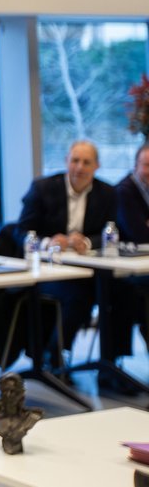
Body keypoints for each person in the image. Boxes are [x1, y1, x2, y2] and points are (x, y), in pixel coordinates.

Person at [8, 140, 115, 364]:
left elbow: (113, 231)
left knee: (120, 291)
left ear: (96, 166)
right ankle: (54, 354)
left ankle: (110, 364)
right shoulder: (43, 188)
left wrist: (85, 242)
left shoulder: (107, 193)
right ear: (66, 161)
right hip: (47, 269)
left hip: (88, 268)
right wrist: (48, 242)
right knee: (79, 296)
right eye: (75, 160)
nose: (79, 168)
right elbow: (21, 231)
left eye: (86, 162)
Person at [110, 144, 149, 371]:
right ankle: (113, 369)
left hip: (140, 269)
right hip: (121, 272)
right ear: (135, 166)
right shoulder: (124, 191)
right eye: (146, 165)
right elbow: (140, 234)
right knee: (134, 296)